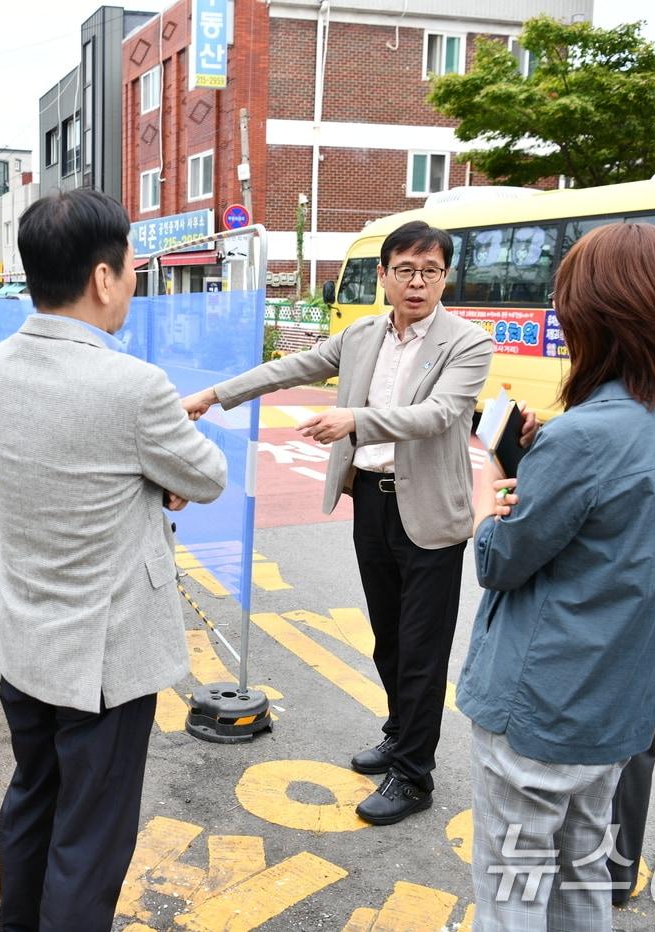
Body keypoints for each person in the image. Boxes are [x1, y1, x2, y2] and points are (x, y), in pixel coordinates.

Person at [183, 220, 494, 824]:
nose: (417, 283)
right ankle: (399, 735)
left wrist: (355, 420)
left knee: (422, 649)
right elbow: (292, 368)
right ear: (383, 275)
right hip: (372, 499)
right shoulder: (362, 335)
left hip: (432, 512)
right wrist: (214, 395)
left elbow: (438, 414)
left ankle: (414, 775)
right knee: (387, 637)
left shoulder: (466, 343)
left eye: (430, 271)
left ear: (445, 277)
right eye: (405, 270)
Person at [0, 188, 228, 932]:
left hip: (26, 638)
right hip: (104, 657)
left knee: (34, 798)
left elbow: (77, 467)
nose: (132, 280)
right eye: (130, 267)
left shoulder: (1, 365)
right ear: (101, 277)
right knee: (90, 837)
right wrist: (157, 474)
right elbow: (208, 475)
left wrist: (144, 476)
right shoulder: (133, 386)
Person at [460, 221, 655, 930]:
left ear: (595, 316)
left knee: (513, 893)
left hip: (541, 708)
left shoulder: (584, 437)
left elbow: (499, 561)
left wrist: (486, 500)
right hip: (617, 707)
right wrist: (545, 458)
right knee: (582, 875)